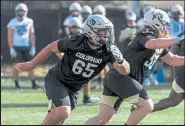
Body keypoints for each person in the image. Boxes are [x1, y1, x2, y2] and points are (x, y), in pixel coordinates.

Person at [14, 15, 130, 125]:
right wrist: (31, 65)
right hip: (57, 80)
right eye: (102, 31)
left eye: (107, 30)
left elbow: (125, 71)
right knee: (63, 111)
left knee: (59, 118)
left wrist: (121, 60)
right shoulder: (75, 41)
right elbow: (50, 48)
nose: (106, 34)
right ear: (91, 31)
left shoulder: (108, 49)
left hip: (74, 89)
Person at [85, 9, 184, 125]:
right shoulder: (145, 35)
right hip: (122, 77)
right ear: (157, 23)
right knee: (147, 106)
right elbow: (151, 44)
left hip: (117, 77)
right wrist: (177, 39)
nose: (167, 27)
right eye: (165, 24)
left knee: (102, 119)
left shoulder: (159, 42)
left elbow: (172, 60)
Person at [57, 17, 100, 104]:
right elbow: (57, 51)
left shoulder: (77, 39)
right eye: (74, 27)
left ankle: (83, 97)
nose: (75, 30)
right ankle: (82, 97)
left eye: (76, 28)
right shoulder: (76, 39)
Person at [7, 3, 40, 90]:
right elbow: (9, 36)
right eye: (19, 12)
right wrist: (11, 48)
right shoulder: (12, 22)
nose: (21, 14)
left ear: (26, 12)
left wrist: (33, 46)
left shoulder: (29, 21)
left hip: (27, 46)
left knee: (31, 65)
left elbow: (32, 35)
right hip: (16, 47)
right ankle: (17, 85)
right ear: (16, 12)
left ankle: (33, 84)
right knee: (17, 66)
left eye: (22, 12)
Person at [152, 31, 184, 113]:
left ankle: (144, 108)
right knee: (173, 100)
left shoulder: (181, 34)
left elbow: (172, 57)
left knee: (173, 100)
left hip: (180, 73)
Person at [93, 4, 110, 89]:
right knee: (98, 65)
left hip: (104, 46)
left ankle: (108, 82)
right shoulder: (92, 22)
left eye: (100, 13)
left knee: (104, 65)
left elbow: (110, 36)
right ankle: (100, 83)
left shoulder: (107, 23)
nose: (98, 15)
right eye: (97, 13)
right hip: (94, 46)